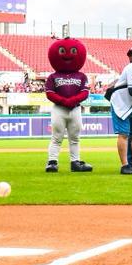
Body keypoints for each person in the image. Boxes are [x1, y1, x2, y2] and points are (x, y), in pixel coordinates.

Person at [43, 37, 93, 173]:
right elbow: (49, 93)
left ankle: (75, 162)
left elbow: (85, 92)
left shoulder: (81, 76)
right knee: (56, 137)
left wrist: (72, 101)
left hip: (75, 109)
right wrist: (65, 101)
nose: (68, 55)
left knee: (75, 138)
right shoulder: (53, 76)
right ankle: (52, 162)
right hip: (59, 109)